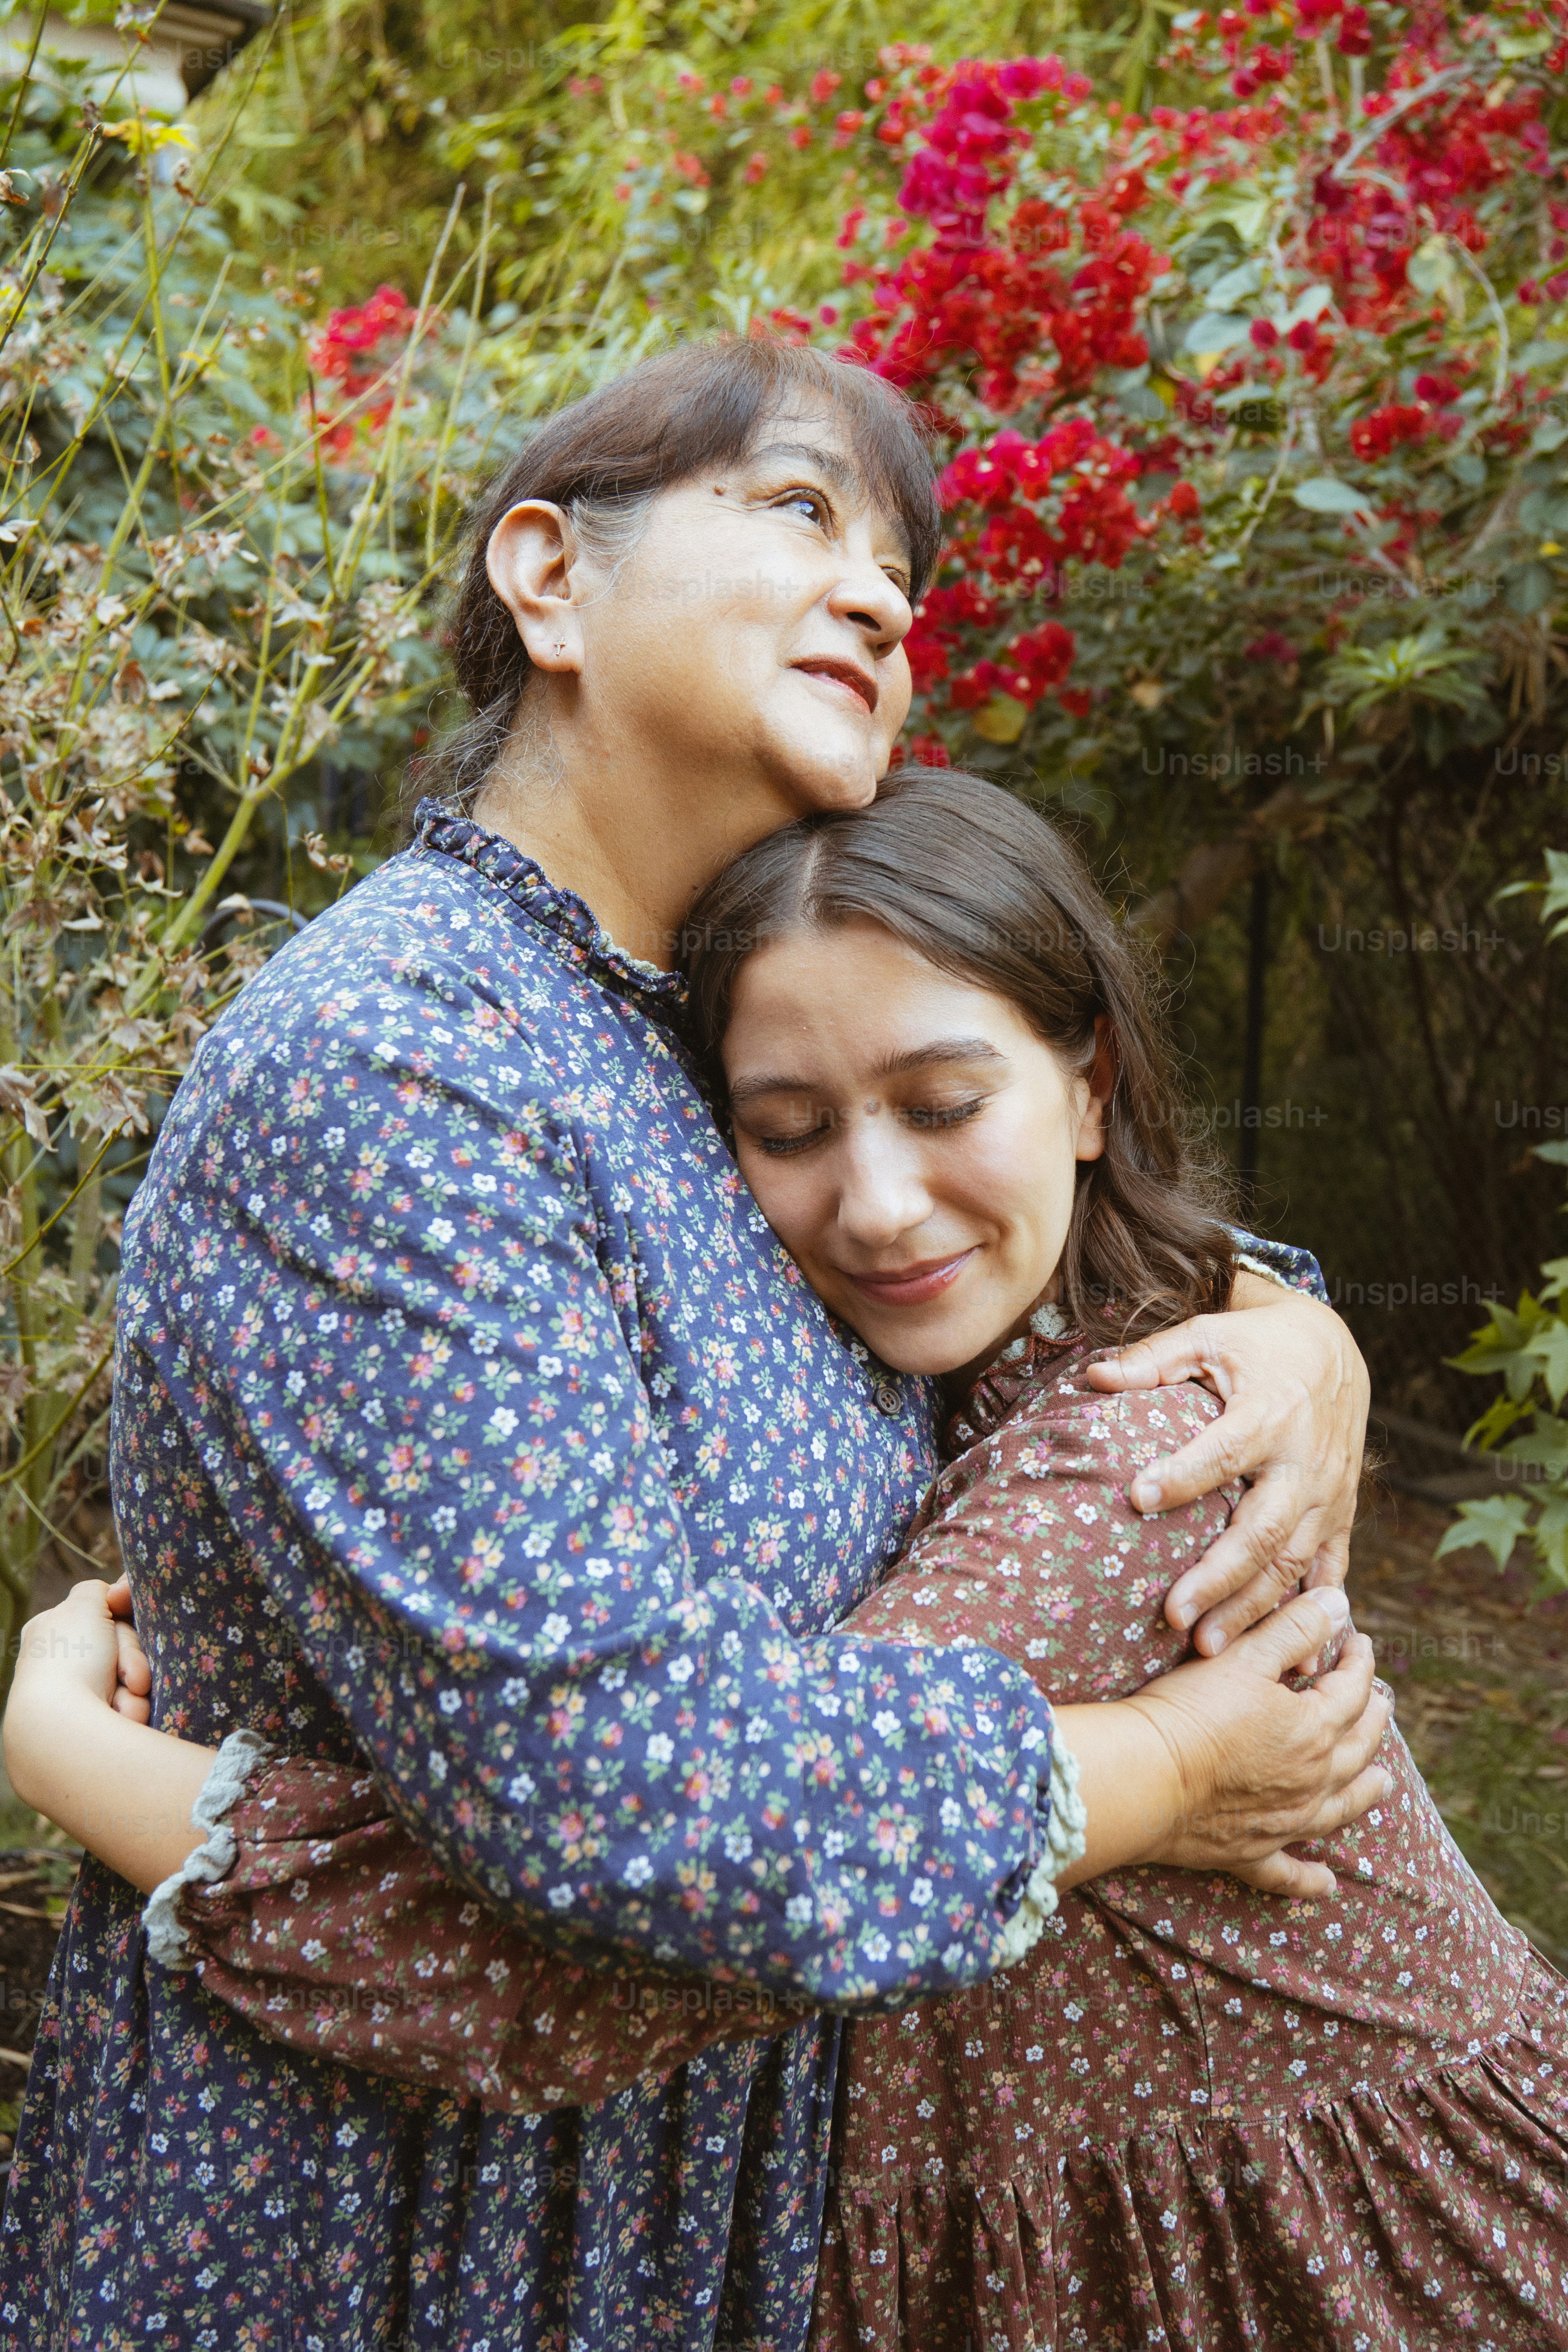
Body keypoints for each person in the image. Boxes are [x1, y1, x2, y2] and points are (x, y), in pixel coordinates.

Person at [0, 341, 1382, 2352]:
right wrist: (1169, 1767)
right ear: (548, 579)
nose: (883, 595)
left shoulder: (664, 1032)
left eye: (900, 567)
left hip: (672, 2181)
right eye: (800, 510)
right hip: (376, 2216)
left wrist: (1289, 1315)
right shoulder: (401, 1063)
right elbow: (629, 1798)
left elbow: (962, 1234)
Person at [34, 767, 1564, 2352]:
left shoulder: (1139, 1461)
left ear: (1092, 1084)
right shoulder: (967, 1367)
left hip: (1341, 2265)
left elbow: (621, 1933)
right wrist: (1290, 1311)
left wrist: (69, 1756)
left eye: (945, 1103)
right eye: (787, 1129)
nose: (880, 1203)